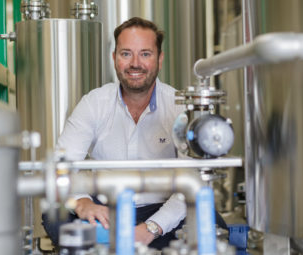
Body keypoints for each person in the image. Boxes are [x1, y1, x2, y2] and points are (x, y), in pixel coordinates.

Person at [42, 17, 227, 250]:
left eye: (145, 54)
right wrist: (82, 203)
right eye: (126, 53)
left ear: (160, 59)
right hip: (106, 209)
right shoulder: (94, 103)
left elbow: (194, 182)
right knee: (54, 216)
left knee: (213, 224)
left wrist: (152, 228)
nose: (135, 63)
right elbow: (62, 166)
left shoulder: (179, 107)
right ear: (114, 58)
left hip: (162, 207)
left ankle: (115, 244)